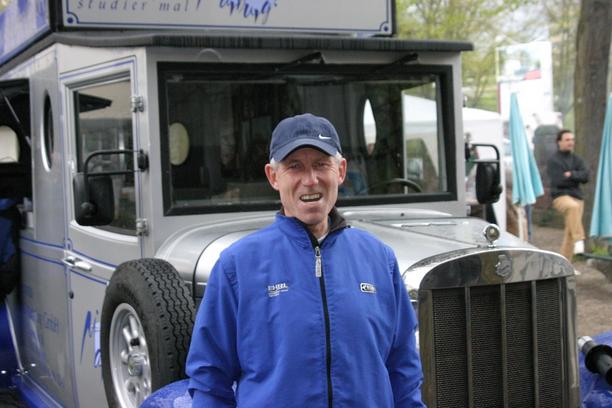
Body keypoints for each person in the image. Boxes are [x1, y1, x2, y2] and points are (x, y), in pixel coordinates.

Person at [186, 113, 425, 407]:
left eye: (321, 164)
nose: (310, 180)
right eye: (294, 166)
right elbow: (209, 378)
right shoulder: (236, 266)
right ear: (273, 177)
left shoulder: (380, 259)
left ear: (341, 171)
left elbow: (404, 370)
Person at [546, 129, 589, 260]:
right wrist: (576, 176)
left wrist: (571, 174)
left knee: (569, 233)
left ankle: (565, 265)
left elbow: (586, 176)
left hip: (577, 197)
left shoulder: (577, 159)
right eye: (567, 140)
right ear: (559, 142)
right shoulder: (553, 160)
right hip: (560, 196)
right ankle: (579, 239)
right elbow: (558, 180)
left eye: (572, 139)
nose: (571, 142)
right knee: (572, 207)